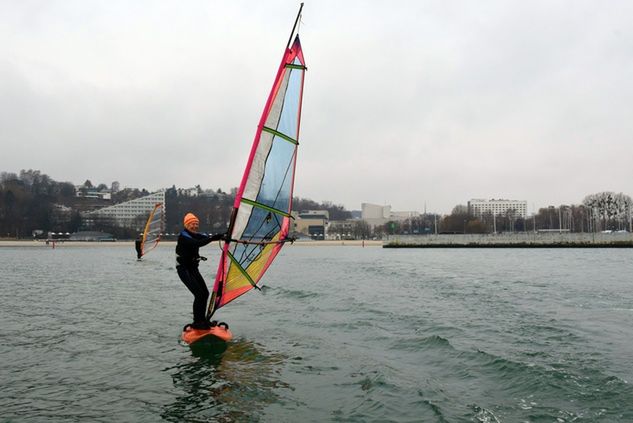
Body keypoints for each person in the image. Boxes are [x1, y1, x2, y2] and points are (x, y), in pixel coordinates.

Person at [176, 212, 225, 330]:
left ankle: (203, 320)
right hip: (184, 270)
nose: (195, 226)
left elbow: (205, 237)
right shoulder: (184, 236)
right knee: (198, 295)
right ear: (187, 225)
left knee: (205, 294)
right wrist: (212, 238)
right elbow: (197, 243)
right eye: (192, 224)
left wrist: (222, 236)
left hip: (193, 269)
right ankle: (197, 322)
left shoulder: (195, 234)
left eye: (196, 224)